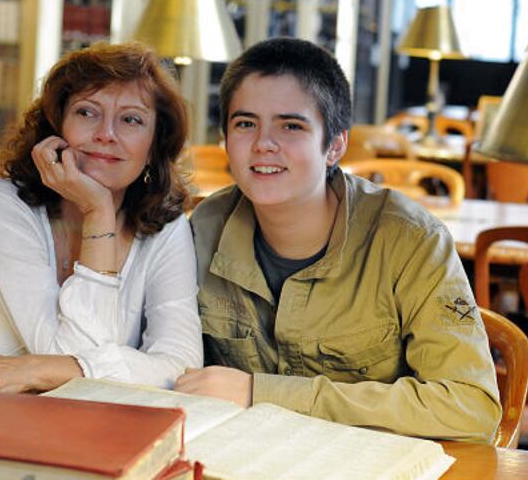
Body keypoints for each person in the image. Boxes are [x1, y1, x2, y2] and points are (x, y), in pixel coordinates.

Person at [175, 37, 502, 443]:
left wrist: (262, 394)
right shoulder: (202, 229)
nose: (263, 144)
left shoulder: (409, 240)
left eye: (291, 126)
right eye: (245, 124)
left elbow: (471, 408)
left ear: (334, 146)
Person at [0, 43, 203, 392]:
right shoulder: (3, 206)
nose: (106, 134)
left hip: (56, 416)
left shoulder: (167, 227)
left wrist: (30, 370)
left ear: (154, 147)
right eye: (86, 112)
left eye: (131, 119)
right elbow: (67, 355)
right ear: (56, 129)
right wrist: (98, 211)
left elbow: (182, 366)